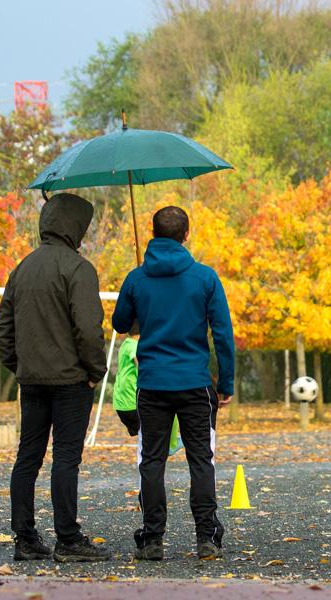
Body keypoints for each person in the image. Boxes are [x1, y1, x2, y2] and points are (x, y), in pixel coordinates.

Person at [113, 205, 234, 561]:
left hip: (153, 384)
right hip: (195, 383)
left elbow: (121, 323)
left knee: (152, 461)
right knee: (201, 460)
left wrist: (135, 293)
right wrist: (225, 382)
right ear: (186, 234)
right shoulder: (205, 278)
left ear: (153, 234)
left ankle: (152, 539)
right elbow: (223, 334)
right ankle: (207, 537)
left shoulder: (137, 278)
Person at [0, 193, 109, 563]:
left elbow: (4, 331)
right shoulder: (78, 269)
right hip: (71, 382)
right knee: (65, 459)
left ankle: (25, 538)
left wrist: (20, 366)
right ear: (76, 228)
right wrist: (95, 371)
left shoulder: (21, 269)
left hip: (33, 381)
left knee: (27, 457)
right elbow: (89, 330)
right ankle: (68, 539)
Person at [113, 332, 184, 455]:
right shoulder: (135, 346)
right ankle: (170, 445)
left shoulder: (125, 343)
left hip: (122, 404)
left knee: (147, 440)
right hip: (133, 404)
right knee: (171, 409)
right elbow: (141, 365)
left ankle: (163, 447)